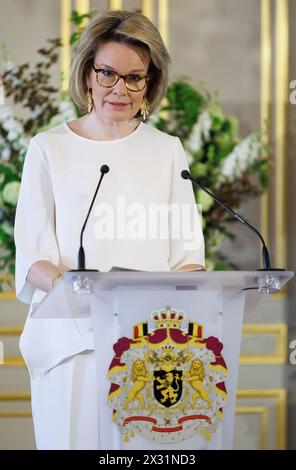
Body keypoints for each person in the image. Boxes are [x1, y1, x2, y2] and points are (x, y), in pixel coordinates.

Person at [14, 10, 205, 450]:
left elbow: (188, 257)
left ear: (149, 83)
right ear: (86, 75)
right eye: (107, 74)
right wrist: (87, 298)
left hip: (153, 345)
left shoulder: (167, 151)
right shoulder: (48, 149)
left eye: (135, 77)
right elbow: (33, 255)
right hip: (72, 343)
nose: (120, 89)